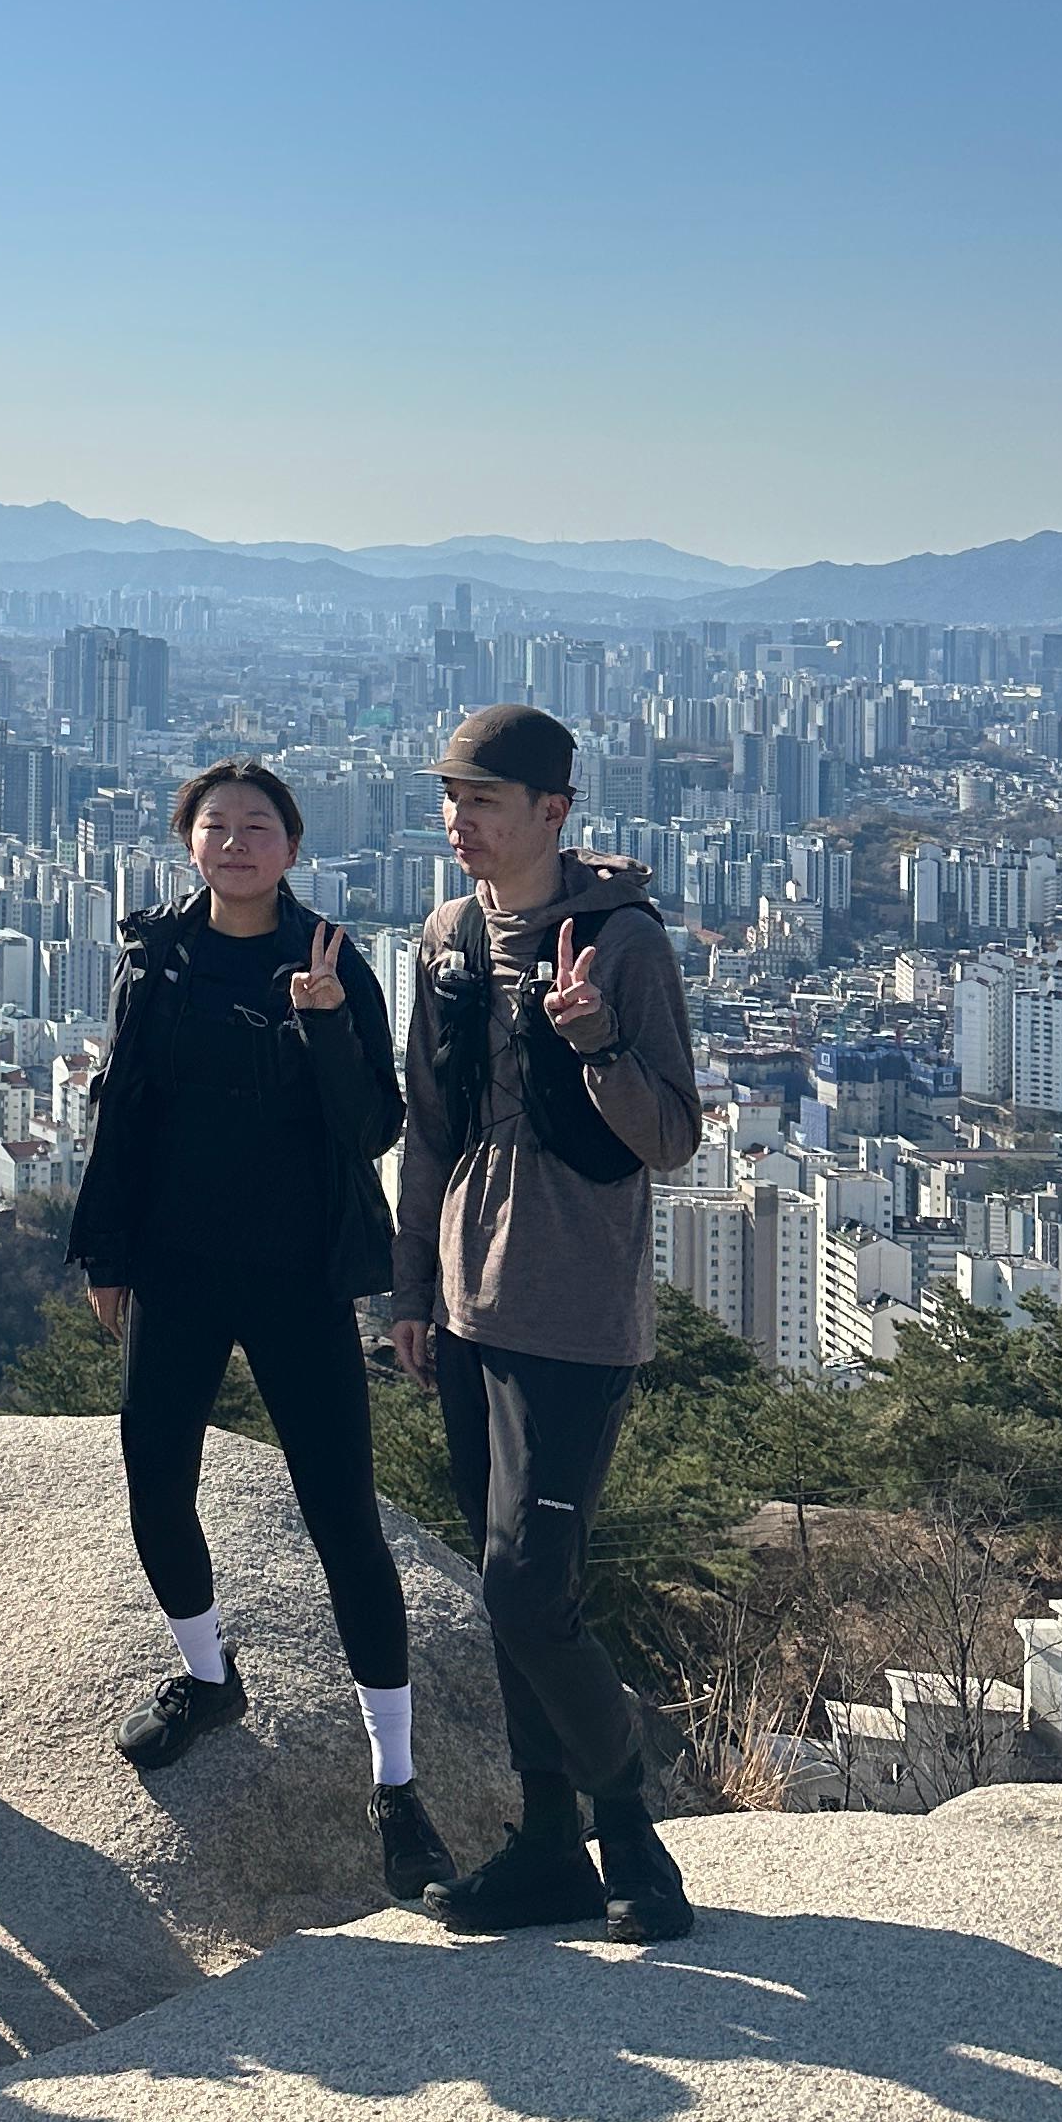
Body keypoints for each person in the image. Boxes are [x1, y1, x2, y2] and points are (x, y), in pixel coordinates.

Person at [65, 759, 458, 1909]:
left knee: (345, 1522)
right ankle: (207, 1675)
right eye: (215, 825)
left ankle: (397, 1782)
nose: (234, 842)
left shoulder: (332, 956)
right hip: (175, 1268)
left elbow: (373, 1124)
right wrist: (106, 1252)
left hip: (296, 1278)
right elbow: (124, 1108)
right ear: (187, 841)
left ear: (292, 845)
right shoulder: (156, 953)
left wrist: (326, 1023)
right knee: (154, 1486)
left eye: (257, 826)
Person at [392, 705, 705, 1947]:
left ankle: (629, 1831)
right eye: (451, 799)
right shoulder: (448, 937)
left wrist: (597, 1042)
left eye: (483, 800)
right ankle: (543, 1846)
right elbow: (430, 1125)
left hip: (575, 1306)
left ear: (553, 812)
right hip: (468, 1301)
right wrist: (411, 1293)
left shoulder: (623, 942)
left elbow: (671, 1137)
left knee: (532, 1587)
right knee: (501, 1582)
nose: (459, 820)